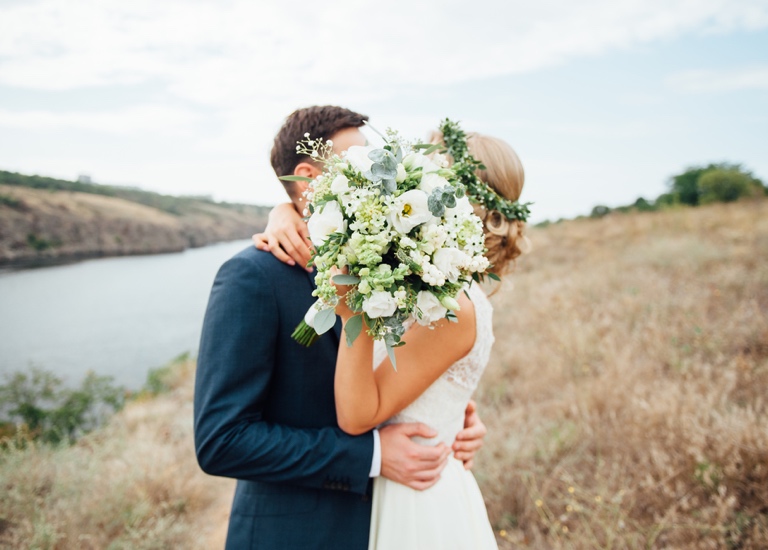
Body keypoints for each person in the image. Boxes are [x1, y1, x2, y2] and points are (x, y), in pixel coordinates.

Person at [193, 105, 488, 550]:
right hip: (298, 536)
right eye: (360, 163)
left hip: (396, 522)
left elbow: (415, 365)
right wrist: (371, 456)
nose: (379, 173)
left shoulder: (395, 261)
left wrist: (457, 417)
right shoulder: (252, 277)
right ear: (310, 178)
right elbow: (222, 440)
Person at [255, 129, 530, 549]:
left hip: (418, 501)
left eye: (423, 175)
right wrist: (285, 211)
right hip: (391, 486)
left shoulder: (453, 303)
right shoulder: (426, 282)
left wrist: (355, 312)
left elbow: (357, 416)